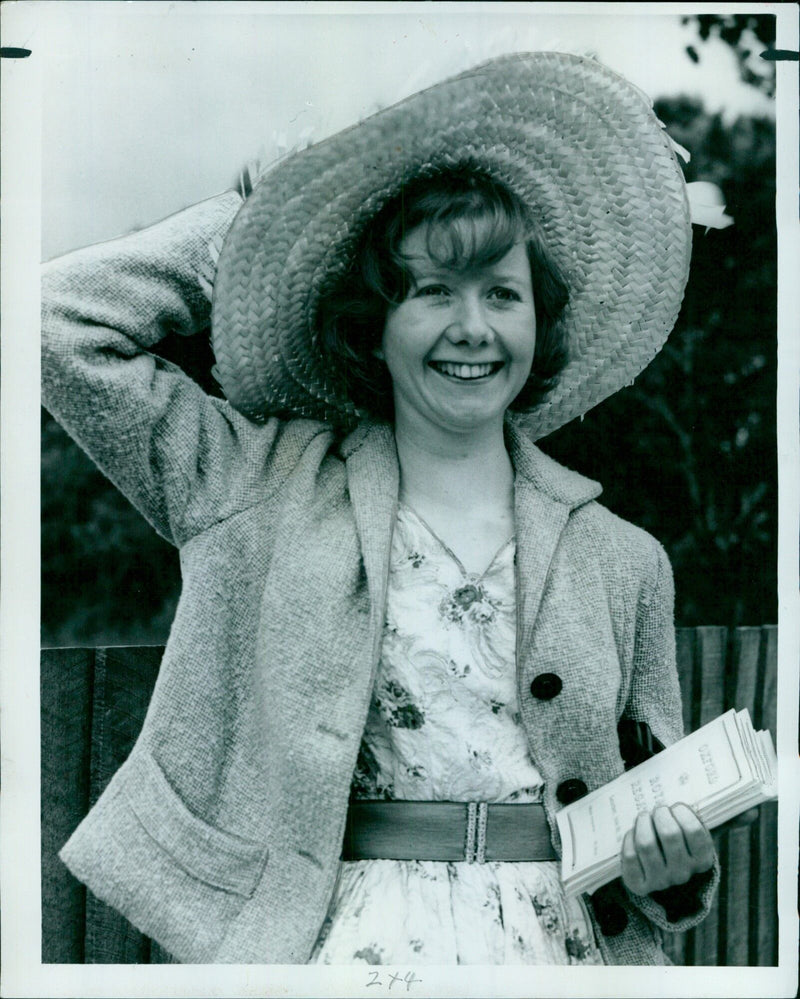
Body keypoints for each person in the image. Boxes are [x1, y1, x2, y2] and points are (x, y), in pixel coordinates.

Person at [43, 52, 722, 966]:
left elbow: (655, 818)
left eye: (503, 293)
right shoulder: (255, 486)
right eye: (433, 291)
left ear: (539, 322)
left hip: (565, 956)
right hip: (335, 945)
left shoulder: (627, 558)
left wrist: (671, 869)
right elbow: (57, 324)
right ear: (374, 321)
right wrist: (245, 232)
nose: (473, 326)